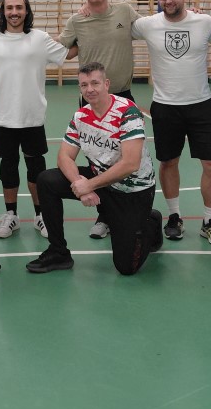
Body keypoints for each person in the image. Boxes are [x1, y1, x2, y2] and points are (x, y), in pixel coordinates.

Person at [28, 63, 163, 274]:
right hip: (101, 180)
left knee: (126, 267)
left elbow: (130, 164)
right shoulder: (81, 116)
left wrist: (89, 185)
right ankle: (58, 252)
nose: (89, 89)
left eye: (95, 83)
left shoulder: (127, 112)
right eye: (84, 85)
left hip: (133, 190)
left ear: (106, 84)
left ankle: (150, 221)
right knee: (47, 180)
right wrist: (79, 184)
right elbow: (64, 156)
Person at [130, 0, 211, 247]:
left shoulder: (204, 22)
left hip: (202, 104)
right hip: (165, 106)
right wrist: (87, 10)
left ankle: (210, 221)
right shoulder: (147, 24)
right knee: (168, 162)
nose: (169, 0)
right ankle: (174, 216)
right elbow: (113, 25)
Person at [0, 0, 69, 239]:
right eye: (9, 8)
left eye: (19, 7)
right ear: (3, 12)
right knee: (8, 166)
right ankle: (11, 215)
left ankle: (40, 215)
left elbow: (68, 54)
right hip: (2, 115)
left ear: (26, 11)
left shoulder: (40, 39)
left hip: (31, 115)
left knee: (36, 167)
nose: (14, 12)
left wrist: (85, 25)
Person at [58, 0, 140, 240]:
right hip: (92, 100)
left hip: (123, 98)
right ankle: (104, 216)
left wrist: (192, 14)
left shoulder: (125, 12)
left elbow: (154, 27)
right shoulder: (77, 21)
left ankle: (127, 212)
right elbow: (63, 51)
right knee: (98, 160)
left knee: (125, 161)